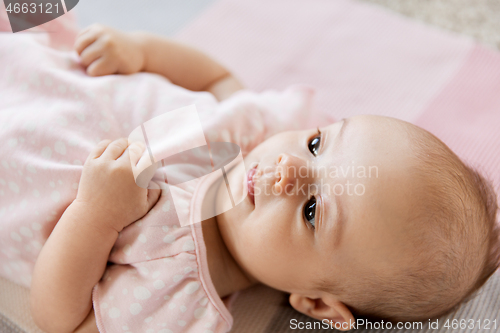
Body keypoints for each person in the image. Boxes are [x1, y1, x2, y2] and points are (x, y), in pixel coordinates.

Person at [0, 23, 497, 333]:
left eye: (312, 210)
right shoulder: (256, 131)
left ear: (318, 302)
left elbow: (60, 320)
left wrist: (96, 216)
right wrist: (139, 50)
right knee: (40, 8)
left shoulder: (178, 299)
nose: (288, 169)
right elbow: (215, 78)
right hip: (37, 60)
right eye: (318, 145)